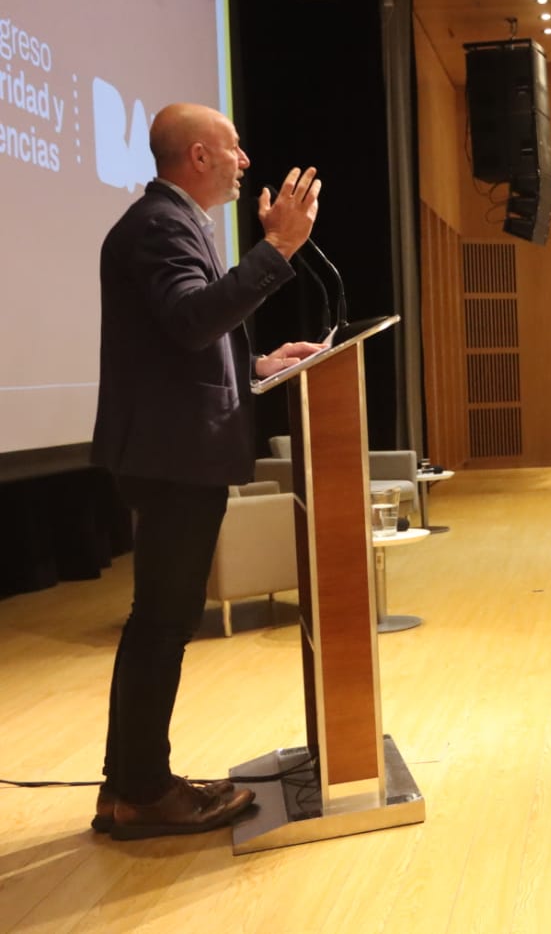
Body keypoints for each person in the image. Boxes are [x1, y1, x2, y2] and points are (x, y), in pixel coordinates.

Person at [91, 103, 325, 838]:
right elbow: (192, 320)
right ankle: (142, 792)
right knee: (161, 625)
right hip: (171, 456)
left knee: (158, 623)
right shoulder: (159, 225)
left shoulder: (175, 222)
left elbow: (183, 341)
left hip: (173, 450)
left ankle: (127, 786)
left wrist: (255, 363)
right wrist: (278, 250)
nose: (244, 159)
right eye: (231, 147)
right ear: (197, 155)